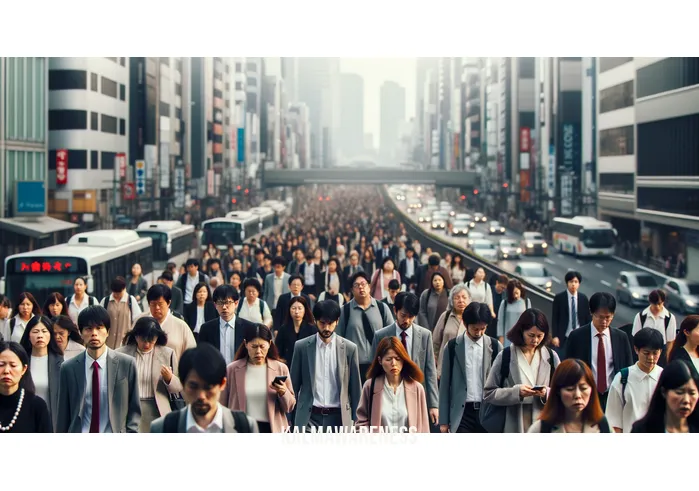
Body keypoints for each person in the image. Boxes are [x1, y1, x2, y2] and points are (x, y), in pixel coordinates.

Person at [56, 305, 141, 433]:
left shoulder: (127, 364)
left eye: (99, 328)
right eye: (88, 329)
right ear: (80, 332)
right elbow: (63, 414)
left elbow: (134, 410)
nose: (94, 333)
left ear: (107, 331)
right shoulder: (68, 368)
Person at [150, 343, 258, 433]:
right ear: (183, 384)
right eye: (193, 387)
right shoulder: (162, 428)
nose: (201, 396)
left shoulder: (245, 426)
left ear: (222, 384)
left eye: (208, 387)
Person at [482, 309, 560, 433]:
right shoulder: (506, 355)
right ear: (521, 331)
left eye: (540, 336)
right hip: (512, 423)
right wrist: (516, 392)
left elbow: (562, 392)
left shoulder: (551, 357)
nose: (535, 340)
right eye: (531, 335)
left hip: (542, 423)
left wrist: (546, 393)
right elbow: (489, 393)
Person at [370, 292, 439, 429]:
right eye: (403, 315)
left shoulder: (425, 335)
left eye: (411, 316)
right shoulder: (381, 336)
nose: (406, 320)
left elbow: (430, 371)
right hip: (388, 397)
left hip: (415, 395)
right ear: (395, 310)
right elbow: (374, 371)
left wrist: (433, 405)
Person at [290, 300, 362, 431]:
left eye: (330, 323)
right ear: (315, 320)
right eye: (322, 323)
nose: (327, 328)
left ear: (337, 321)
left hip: (339, 417)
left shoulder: (349, 348)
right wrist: (289, 417)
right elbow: (293, 386)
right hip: (309, 417)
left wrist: (358, 421)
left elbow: (355, 388)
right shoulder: (301, 347)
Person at [439, 303, 503, 433]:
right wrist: (444, 421)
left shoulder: (496, 347)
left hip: (488, 411)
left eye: (483, 328)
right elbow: (445, 385)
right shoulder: (452, 347)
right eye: (475, 328)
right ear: (465, 323)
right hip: (462, 413)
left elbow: (502, 383)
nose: (478, 333)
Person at [221, 323, 296, 433]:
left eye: (262, 346)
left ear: (270, 344)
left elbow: (290, 407)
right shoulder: (232, 369)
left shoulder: (280, 368)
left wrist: (283, 392)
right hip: (241, 429)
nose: (258, 352)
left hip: (272, 429)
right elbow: (222, 405)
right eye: (254, 347)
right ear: (246, 344)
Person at [565, 292, 634, 410]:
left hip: (612, 396)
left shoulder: (621, 337)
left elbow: (628, 368)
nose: (604, 322)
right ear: (591, 313)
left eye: (608, 317)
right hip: (585, 396)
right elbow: (568, 368)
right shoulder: (577, 337)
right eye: (600, 317)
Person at [117, 317, 183, 432]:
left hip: (157, 408)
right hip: (129, 408)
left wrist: (169, 379)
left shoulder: (168, 354)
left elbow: (178, 388)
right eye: (143, 339)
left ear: (157, 337)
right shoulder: (120, 354)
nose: (147, 344)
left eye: (151, 339)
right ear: (136, 336)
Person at [355, 336, 430, 432]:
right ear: (380, 361)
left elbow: (424, 427)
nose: (393, 363)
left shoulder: (417, 388)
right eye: (389, 359)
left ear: (403, 360)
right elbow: (361, 422)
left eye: (398, 359)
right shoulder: (370, 386)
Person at [336, 271, 394, 384]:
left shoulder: (382, 308)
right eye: (356, 285)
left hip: (379, 364)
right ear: (352, 290)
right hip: (354, 366)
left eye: (363, 284)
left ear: (369, 286)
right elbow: (339, 339)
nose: (361, 288)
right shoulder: (345, 311)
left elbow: (392, 336)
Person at [528, 359, 612, 433]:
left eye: (583, 388)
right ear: (558, 391)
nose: (578, 395)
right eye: (570, 389)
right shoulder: (541, 429)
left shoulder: (603, 427)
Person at [605, 328, 664, 433]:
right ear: (636, 349)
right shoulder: (623, 378)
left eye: (655, 353)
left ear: (661, 351)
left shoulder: (665, 377)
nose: (651, 358)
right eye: (646, 353)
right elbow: (613, 421)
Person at [18, 315, 64, 430]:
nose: (40, 336)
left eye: (44, 331)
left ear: (50, 335)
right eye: (35, 331)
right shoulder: (19, 363)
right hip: (24, 420)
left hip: (51, 422)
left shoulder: (61, 364)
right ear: (28, 335)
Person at [631, 360, 699, 433]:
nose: (686, 400)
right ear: (664, 392)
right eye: (679, 392)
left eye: (692, 393)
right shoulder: (642, 430)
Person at [0, 341, 52, 433]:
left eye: (13, 365)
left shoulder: (37, 406)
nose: (7, 371)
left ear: (24, 369)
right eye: (1, 365)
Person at [135, 285, 197, 361]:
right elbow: (127, 347)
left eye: (160, 304)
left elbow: (192, 355)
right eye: (153, 304)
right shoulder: (139, 321)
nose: (157, 308)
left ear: (168, 303)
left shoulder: (181, 326)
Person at [198, 285, 255, 365]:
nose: (224, 307)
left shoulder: (249, 328)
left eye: (228, 302)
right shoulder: (206, 329)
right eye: (220, 303)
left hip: (240, 373)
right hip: (216, 375)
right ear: (215, 305)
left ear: (236, 303)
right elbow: (202, 356)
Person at [433, 285, 472, 377]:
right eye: (457, 298)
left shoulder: (473, 318)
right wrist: (435, 363)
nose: (461, 301)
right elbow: (435, 342)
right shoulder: (445, 316)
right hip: (445, 365)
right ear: (451, 301)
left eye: (464, 297)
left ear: (469, 300)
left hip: (466, 368)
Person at [631, 289, 676, 366]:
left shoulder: (669, 318)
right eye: (655, 304)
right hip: (644, 351)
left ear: (663, 302)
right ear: (650, 302)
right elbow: (635, 337)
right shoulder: (641, 316)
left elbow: (670, 342)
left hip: (661, 353)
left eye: (659, 304)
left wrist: (668, 358)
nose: (657, 307)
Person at [551, 271, 591, 355]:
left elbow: (587, 318)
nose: (573, 284)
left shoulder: (583, 298)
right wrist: (555, 336)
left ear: (579, 284)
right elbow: (555, 318)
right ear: (567, 283)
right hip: (564, 336)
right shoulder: (559, 298)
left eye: (576, 282)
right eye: (571, 282)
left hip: (580, 335)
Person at [274, 296, 316, 370]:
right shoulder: (283, 329)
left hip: (307, 366)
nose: (296, 312)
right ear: (289, 310)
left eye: (300, 308)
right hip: (288, 367)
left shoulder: (312, 329)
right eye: (293, 308)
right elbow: (277, 349)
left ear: (305, 310)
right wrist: (279, 359)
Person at [101, 276, 142, 349]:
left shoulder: (131, 300)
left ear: (124, 288)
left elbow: (138, 320)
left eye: (119, 293)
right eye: (115, 293)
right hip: (107, 345)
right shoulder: (106, 301)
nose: (117, 295)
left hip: (126, 346)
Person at [496, 279, 531, 348]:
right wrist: (501, 337)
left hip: (522, 337)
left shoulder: (526, 303)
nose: (515, 296)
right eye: (513, 293)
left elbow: (530, 322)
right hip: (507, 337)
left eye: (516, 293)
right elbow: (500, 321)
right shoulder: (505, 303)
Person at [262, 256, 290, 321]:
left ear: (283, 267)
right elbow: (265, 293)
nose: (276, 269)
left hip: (284, 306)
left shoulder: (288, 278)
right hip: (271, 306)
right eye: (275, 267)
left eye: (279, 267)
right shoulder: (268, 277)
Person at [487, 274, 509, 339]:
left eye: (504, 288)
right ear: (497, 282)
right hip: (489, 320)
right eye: (501, 287)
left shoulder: (505, 295)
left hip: (498, 321)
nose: (502, 289)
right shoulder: (489, 290)